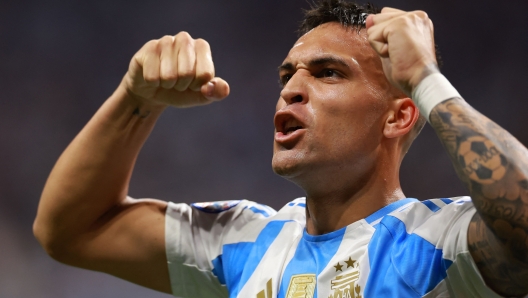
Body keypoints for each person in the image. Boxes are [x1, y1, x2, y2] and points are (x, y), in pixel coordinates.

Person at [33, 0, 528, 297]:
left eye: (328, 72)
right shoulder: (242, 242)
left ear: (399, 115)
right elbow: (71, 230)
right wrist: (134, 98)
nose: (291, 89)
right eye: (288, 75)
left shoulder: (440, 243)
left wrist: (424, 77)